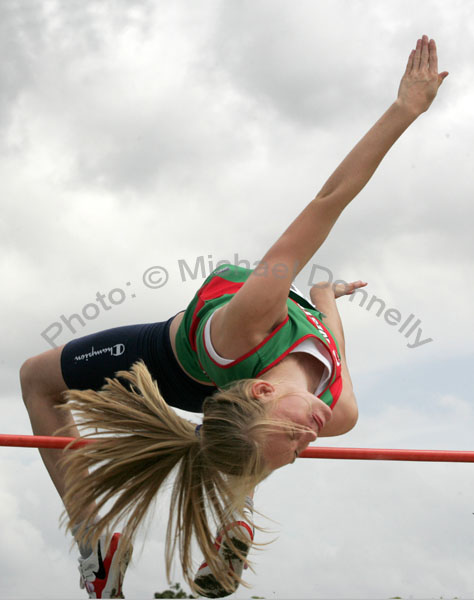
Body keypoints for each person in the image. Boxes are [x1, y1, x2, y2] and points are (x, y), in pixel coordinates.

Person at [19, 35, 448, 599]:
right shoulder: (338, 412)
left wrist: (403, 110)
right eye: (297, 450)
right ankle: (230, 518)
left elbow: (328, 201)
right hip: (233, 389)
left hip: (168, 358)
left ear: (264, 391)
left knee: (35, 379)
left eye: (292, 435)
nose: (308, 437)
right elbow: (333, 356)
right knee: (248, 440)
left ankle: (91, 537)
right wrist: (324, 297)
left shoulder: (248, 319)